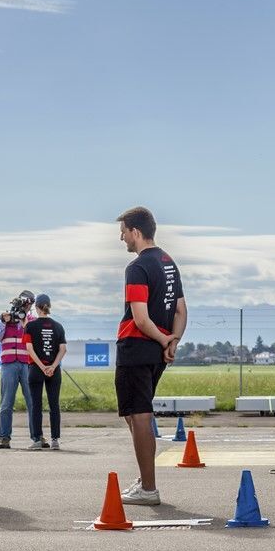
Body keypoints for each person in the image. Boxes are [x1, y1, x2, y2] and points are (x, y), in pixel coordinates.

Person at [116, 207, 186, 507]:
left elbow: (141, 318)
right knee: (136, 414)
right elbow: (181, 310)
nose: (121, 238)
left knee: (139, 415)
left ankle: (148, 488)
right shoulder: (168, 262)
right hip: (156, 353)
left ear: (135, 231)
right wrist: (173, 341)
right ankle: (145, 480)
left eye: (123, 232)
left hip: (136, 347)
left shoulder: (138, 267)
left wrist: (162, 338)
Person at [24, 294, 68, 450]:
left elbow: (29, 348)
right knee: (54, 405)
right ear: (49, 306)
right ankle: (55, 440)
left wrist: (42, 367)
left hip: (36, 369)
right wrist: (53, 366)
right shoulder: (58, 326)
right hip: (53, 370)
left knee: (36, 405)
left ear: (36, 308)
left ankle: (36, 440)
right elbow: (63, 349)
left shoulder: (30, 326)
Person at [0, 301, 33, 451]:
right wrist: (3, 322)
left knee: (32, 402)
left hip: (27, 364)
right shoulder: (4, 318)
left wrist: (25, 323)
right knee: (6, 403)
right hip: (9, 364)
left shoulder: (31, 320)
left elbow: (34, 337)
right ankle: (4, 437)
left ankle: (37, 436)